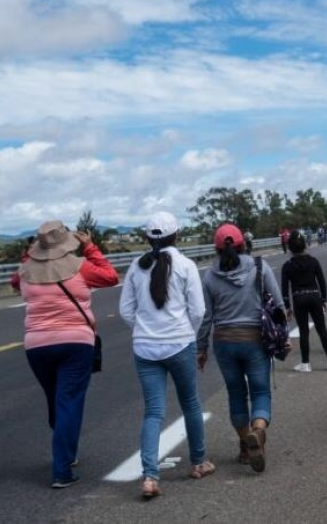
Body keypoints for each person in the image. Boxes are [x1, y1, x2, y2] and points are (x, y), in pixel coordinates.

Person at [119, 212, 214, 499]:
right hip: (179, 344)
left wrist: (145, 329)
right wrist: (187, 332)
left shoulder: (136, 267)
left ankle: (149, 476)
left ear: (148, 238)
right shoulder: (186, 265)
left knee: (153, 411)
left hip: (146, 348)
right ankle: (198, 462)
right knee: (190, 403)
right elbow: (198, 311)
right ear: (177, 235)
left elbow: (126, 310)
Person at [18, 221, 119, 488]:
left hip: (37, 346)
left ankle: (66, 452)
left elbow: (15, 283)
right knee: (69, 402)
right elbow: (110, 276)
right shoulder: (79, 266)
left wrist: (29, 255)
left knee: (56, 402)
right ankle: (61, 469)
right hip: (76, 344)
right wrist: (89, 246)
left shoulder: (25, 271)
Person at [197, 223, 286, 473]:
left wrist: (201, 348)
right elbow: (278, 304)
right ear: (244, 245)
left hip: (224, 342)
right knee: (260, 392)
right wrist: (283, 336)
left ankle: (246, 448)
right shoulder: (259, 267)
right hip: (255, 339)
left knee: (236, 395)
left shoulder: (209, 276)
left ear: (216, 250)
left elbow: (206, 317)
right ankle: (258, 431)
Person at [281, 230, 327, 373]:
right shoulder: (313, 261)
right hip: (314, 297)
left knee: (304, 331)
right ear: (305, 245)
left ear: (290, 248)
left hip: (298, 298)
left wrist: (288, 307)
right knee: (321, 329)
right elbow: (322, 281)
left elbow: (284, 289)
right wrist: (324, 299)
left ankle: (305, 363)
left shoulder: (287, 266)